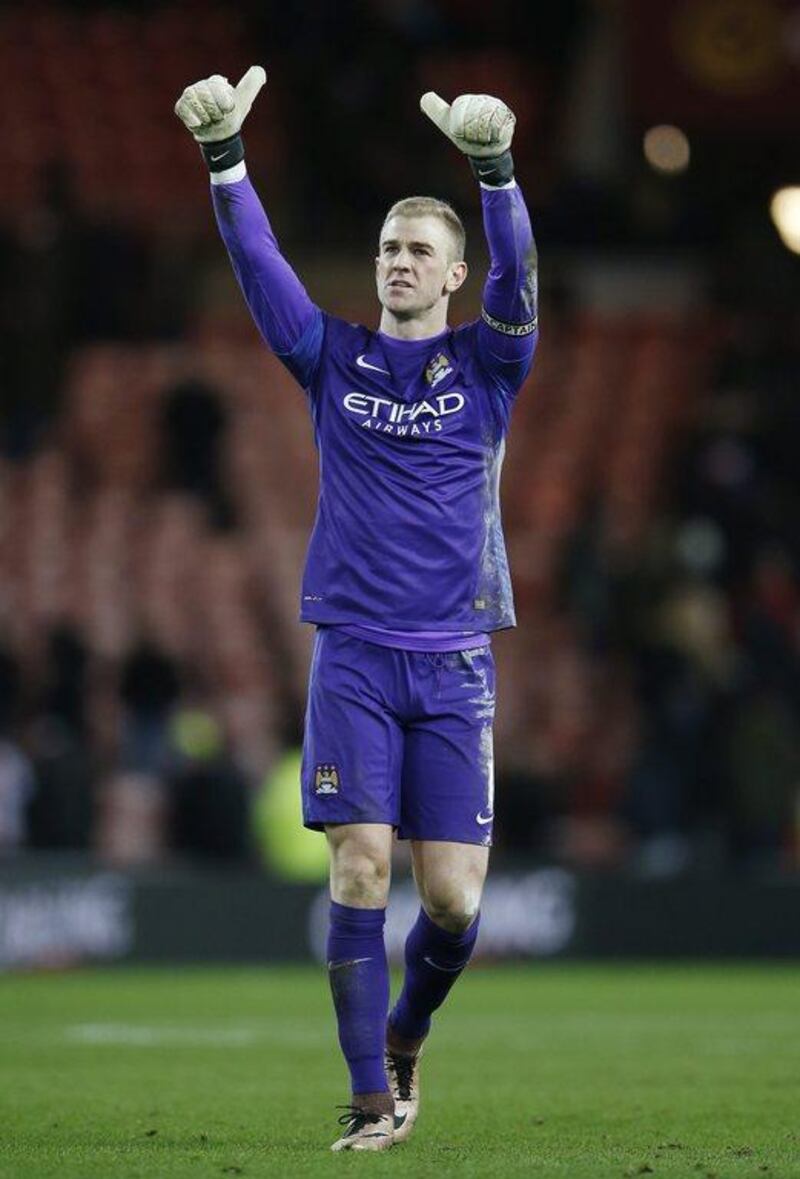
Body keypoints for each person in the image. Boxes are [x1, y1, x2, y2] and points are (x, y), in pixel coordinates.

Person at [175, 66, 538, 1151]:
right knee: (360, 867)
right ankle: (369, 1101)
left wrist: (494, 175)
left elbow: (521, 272)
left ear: (453, 275)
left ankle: (405, 1037)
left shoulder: (489, 362)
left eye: (419, 249)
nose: (397, 260)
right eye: (387, 246)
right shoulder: (332, 358)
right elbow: (261, 270)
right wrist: (225, 164)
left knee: (452, 907)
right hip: (354, 656)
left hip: (455, 661)